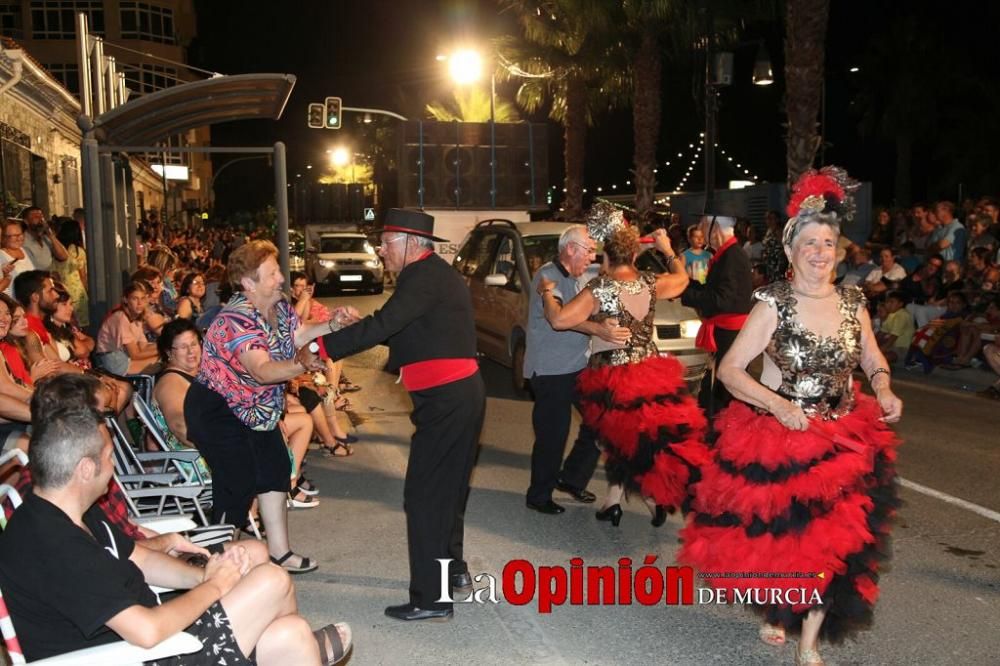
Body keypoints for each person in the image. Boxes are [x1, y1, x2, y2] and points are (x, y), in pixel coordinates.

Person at [679, 167, 903, 666]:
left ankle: (810, 640)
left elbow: (870, 358)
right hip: (779, 435)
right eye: (810, 243)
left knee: (832, 540)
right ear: (792, 249)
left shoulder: (852, 303)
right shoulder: (773, 303)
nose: (821, 252)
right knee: (783, 537)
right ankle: (777, 612)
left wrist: (884, 387)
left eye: (829, 242)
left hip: (843, 437)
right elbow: (731, 369)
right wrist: (777, 404)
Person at [0, 373, 353, 666]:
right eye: (109, 458)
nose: (113, 468)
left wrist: (208, 574)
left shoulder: (68, 512)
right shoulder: (54, 546)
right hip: (130, 655)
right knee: (272, 579)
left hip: (145, 639)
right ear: (85, 469)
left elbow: (141, 558)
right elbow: (147, 631)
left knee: (290, 636)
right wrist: (215, 587)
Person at [317, 208, 485, 622]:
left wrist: (323, 350)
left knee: (425, 495)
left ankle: (432, 599)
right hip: (456, 397)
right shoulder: (428, 276)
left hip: (448, 400)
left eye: (388, 242)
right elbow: (405, 326)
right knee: (447, 490)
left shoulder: (423, 277)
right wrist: (367, 327)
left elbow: (387, 322)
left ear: (412, 244)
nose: (382, 249)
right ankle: (453, 571)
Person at [539, 211, 708, 528]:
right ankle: (616, 502)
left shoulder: (601, 288)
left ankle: (639, 499)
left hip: (611, 375)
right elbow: (683, 279)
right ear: (633, 253)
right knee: (633, 439)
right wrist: (668, 249)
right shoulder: (648, 281)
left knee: (615, 440)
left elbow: (559, 320)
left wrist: (547, 293)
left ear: (606, 253)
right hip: (649, 369)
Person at [184, 241, 337, 575]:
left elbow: (297, 335)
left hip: (255, 406)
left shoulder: (278, 306)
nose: (281, 278)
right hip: (217, 409)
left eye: (278, 270)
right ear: (248, 283)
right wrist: (302, 365)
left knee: (274, 468)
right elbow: (262, 370)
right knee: (236, 480)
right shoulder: (235, 320)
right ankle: (217, 561)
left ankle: (279, 553)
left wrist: (333, 324)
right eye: (272, 274)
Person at [523, 224, 628, 515]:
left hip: (578, 367)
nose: (592, 257)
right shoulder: (548, 277)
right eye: (588, 250)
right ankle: (538, 495)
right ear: (570, 249)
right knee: (552, 435)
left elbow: (584, 310)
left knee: (599, 422)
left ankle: (571, 478)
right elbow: (558, 317)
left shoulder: (577, 278)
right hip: (550, 369)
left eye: (595, 251)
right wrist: (598, 329)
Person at [680, 214, 753, 416]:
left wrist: (688, 293)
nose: (702, 233)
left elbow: (723, 300)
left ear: (715, 229)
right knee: (714, 392)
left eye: (703, 227)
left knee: (724, 393)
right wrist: (686, 285)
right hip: (725, 332)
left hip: (730, 334)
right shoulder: (726, 254)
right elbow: (714, 291)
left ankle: (720, 433)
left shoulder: (733, 256)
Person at [94, 281, 161, 375]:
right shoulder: (120, 318)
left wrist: (165, 346)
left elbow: (143, 346)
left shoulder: (137, 318)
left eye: (142, 298)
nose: (140, 303)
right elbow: (135, 355)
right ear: (125, 300)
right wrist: (163, 349)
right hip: (113, 361)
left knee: (166, 360)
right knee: (162, 363)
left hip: (125, 356)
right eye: (135, 299)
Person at [51, 217, 89, 326]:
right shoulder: (78, 252)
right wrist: (86, 290)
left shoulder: (55, 250)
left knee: (67, 321)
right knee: (82, 322)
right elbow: (83, 275)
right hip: (77, 290)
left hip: (62, 290)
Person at [19, 206, 68, 272]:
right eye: (36, 217)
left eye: (42, 217)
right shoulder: (21, 240)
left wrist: (51, 235)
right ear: (26, 221)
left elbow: (63, 256)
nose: (41, 220)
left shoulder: (45, 238)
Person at [0, 219, 35, 297]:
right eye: (14, 236)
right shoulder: (1, 256)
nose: (19, 238)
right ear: (3, 237)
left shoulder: (25, 250)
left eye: (20, 234)